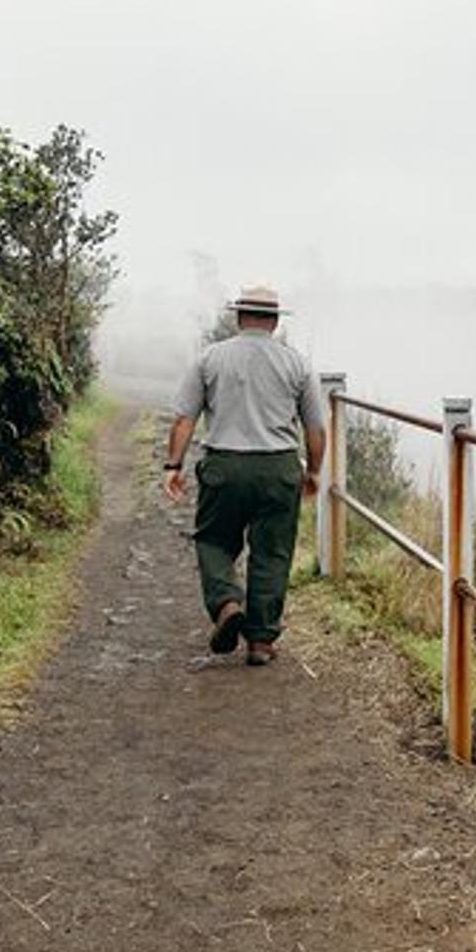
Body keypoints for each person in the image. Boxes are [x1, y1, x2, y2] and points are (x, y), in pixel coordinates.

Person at [163, 285, 327, 666]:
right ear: (273, 321)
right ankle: (261, 641)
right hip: (278, 467)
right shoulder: (297, 364)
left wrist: (173, 466)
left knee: (213, 540)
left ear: (238, 318)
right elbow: (315, 428)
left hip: (225, 466)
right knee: (272, 552)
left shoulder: (210, 358)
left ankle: (226, 604)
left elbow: (185, 419)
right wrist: (314, 471)